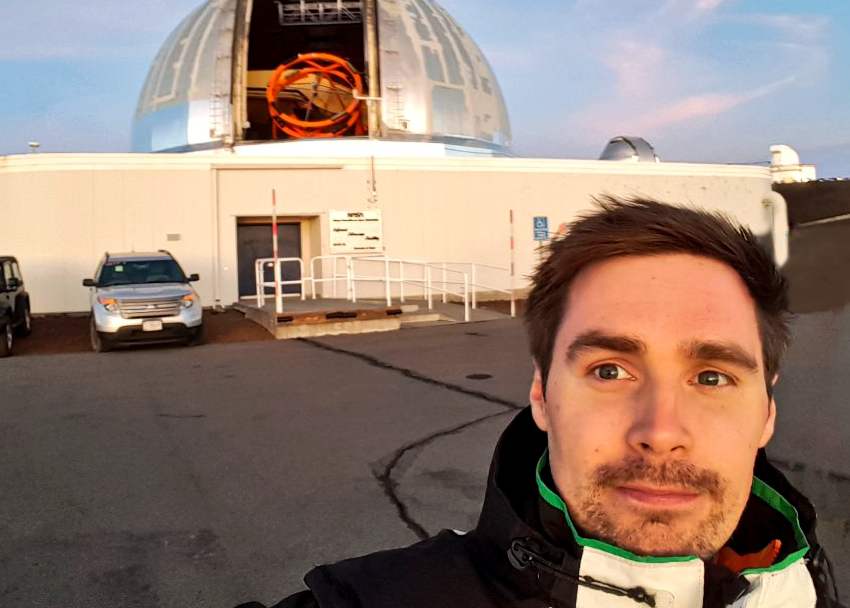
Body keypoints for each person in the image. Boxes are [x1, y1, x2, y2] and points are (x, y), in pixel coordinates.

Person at [237, 197, 843, 608]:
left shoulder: (801, 585)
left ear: (767, 412)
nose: (661, 431)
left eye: (712, 377)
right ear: (542, 395)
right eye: (609, 369)